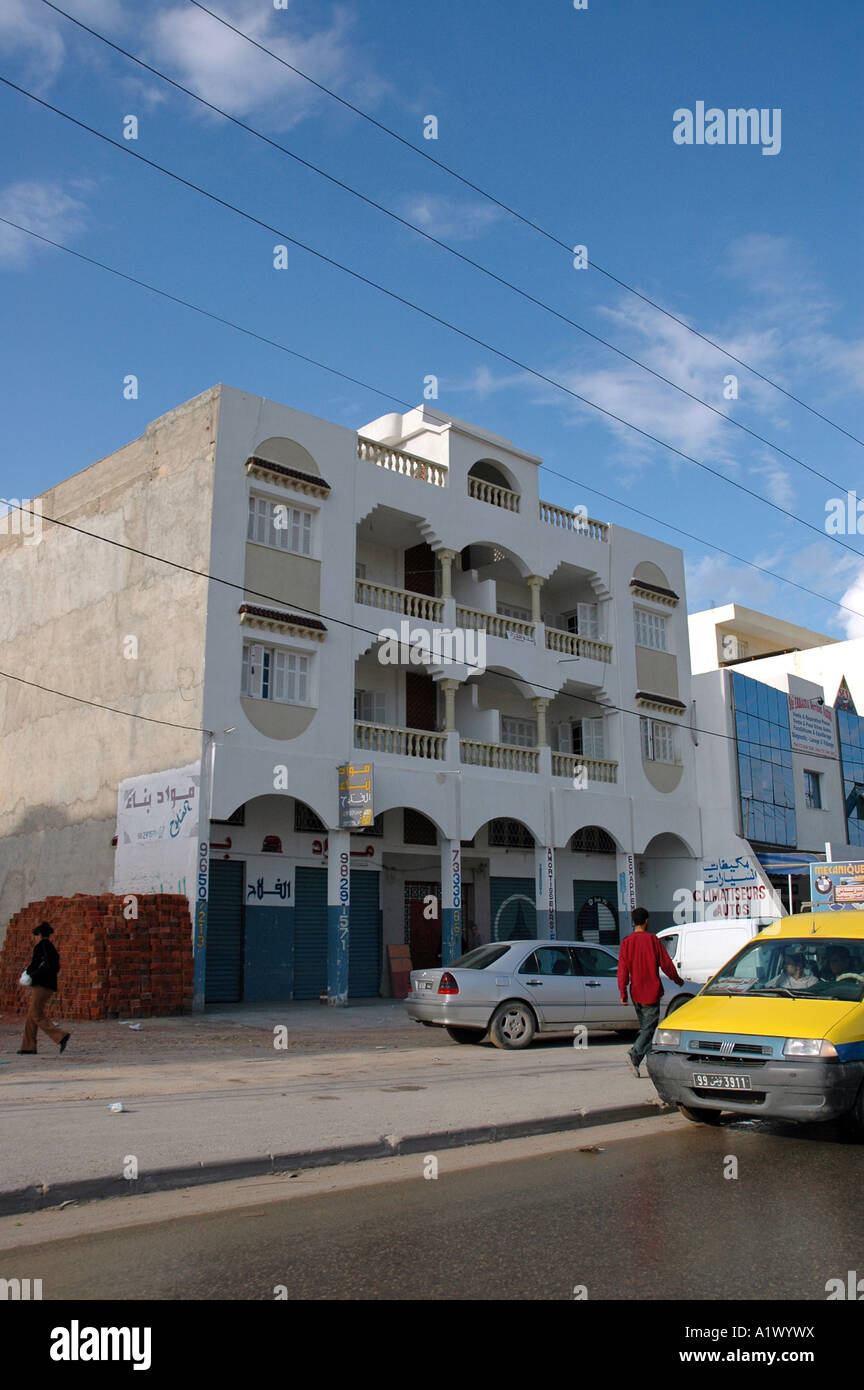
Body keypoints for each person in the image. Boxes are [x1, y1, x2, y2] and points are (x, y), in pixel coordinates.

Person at [617, 907, 683, 1078]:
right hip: (650, 992)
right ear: (646, 921)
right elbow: (666, 964)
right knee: (649, 1029)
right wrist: (677, 980)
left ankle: (653, 1066)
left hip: (636, 992)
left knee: (647, 1030)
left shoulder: (627, 942)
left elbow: (622, 969)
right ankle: (634, 1054)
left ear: (633, 922)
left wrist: (623, 993)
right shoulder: (652, 940)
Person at [17, 922, 71, 1056]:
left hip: (41, 985)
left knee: (36, 1014)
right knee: (31, 1015)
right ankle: (28, 1046)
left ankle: (60, 1036)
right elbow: (56, 968)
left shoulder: (40, 947)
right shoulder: (52, 948)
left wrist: (28, 974)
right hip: (50, 985)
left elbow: (34, 965)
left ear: (40, 934)